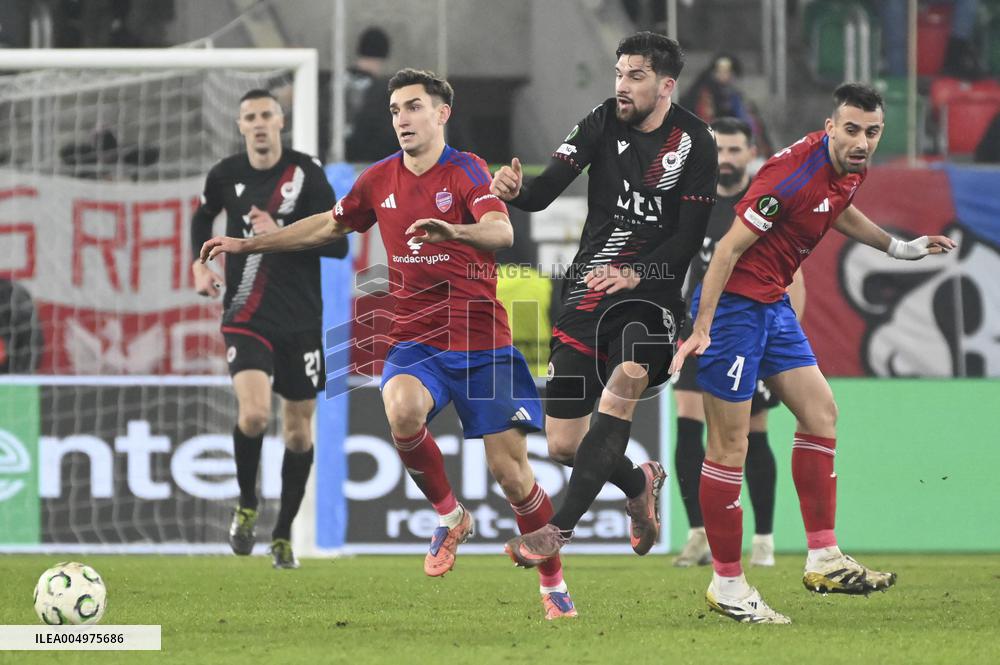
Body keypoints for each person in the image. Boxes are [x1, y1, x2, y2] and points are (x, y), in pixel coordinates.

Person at [200, 69, 577, 620]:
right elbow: (326, 227)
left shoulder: (468, 170)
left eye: (414, 107)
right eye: (395, 109)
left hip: (481, 343)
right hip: (415, 338)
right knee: (400, 409)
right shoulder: (378, 180)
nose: (402, 118)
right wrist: (248, 242)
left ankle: (554, 585)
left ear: (441, 113)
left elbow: (502, 234)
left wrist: (457, 232)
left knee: (513, 476)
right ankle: (450, 517)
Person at [669, 83, 956, 624]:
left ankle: (824, 556)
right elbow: (727, 249)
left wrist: (898, 247)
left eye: (872, 132)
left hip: (772, 303)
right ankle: (727, 584)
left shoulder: (849, 166)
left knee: (821, 412)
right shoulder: (788, 177)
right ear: (830, 126)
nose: (862, 141)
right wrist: (702, 326)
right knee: (728, 446)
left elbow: (837, 208)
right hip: (732, 309)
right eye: (851, 129)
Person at [491, 32, 718, 566]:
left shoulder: (695, 141)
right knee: (564, 445)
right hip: (585, 297)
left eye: (635, 76)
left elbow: (687, 239)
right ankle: (639, 481)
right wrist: (514, 191)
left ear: (666, 85)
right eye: (619, 73)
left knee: (622, 387)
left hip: (650, 305)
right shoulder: (601, 120)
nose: (622, 85)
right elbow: (544, 193)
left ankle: (556, 531)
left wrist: (637, 273)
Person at [190, 89, 349, 569]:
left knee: (298, 433)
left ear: (280, 122)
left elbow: (339, 247)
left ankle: (282, 535)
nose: (259, 124)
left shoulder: (308, 174)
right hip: (245, 313)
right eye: (250, 117)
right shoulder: (225, 175)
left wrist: (278, 228)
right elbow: (202, 217)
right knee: (255, 414)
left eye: (266, 115)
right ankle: (246, 504)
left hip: (301, 320)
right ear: (240, 126)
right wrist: (199, 267)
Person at [672, 117, 805, 569]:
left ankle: (764, 539)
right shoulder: (695, 204)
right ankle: (697, 536)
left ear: (752, 152)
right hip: (699, 330)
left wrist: (781, 340)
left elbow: (794, 279)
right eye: (718, 151)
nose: (725, 160)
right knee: (688, 424)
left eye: (734, 150)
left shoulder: (766, 202)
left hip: (755, 330)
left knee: (752, 433)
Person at [680, 53, 773, 156]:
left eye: (729, 72)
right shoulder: (702, 95)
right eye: (720, 71)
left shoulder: (737, 97)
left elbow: (752, 125)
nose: (725, 76)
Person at [344, 27, 401, 163]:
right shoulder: (382, 92)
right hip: (367, 164)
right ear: (384, 56)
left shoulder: (335, 84)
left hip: (337, 165)